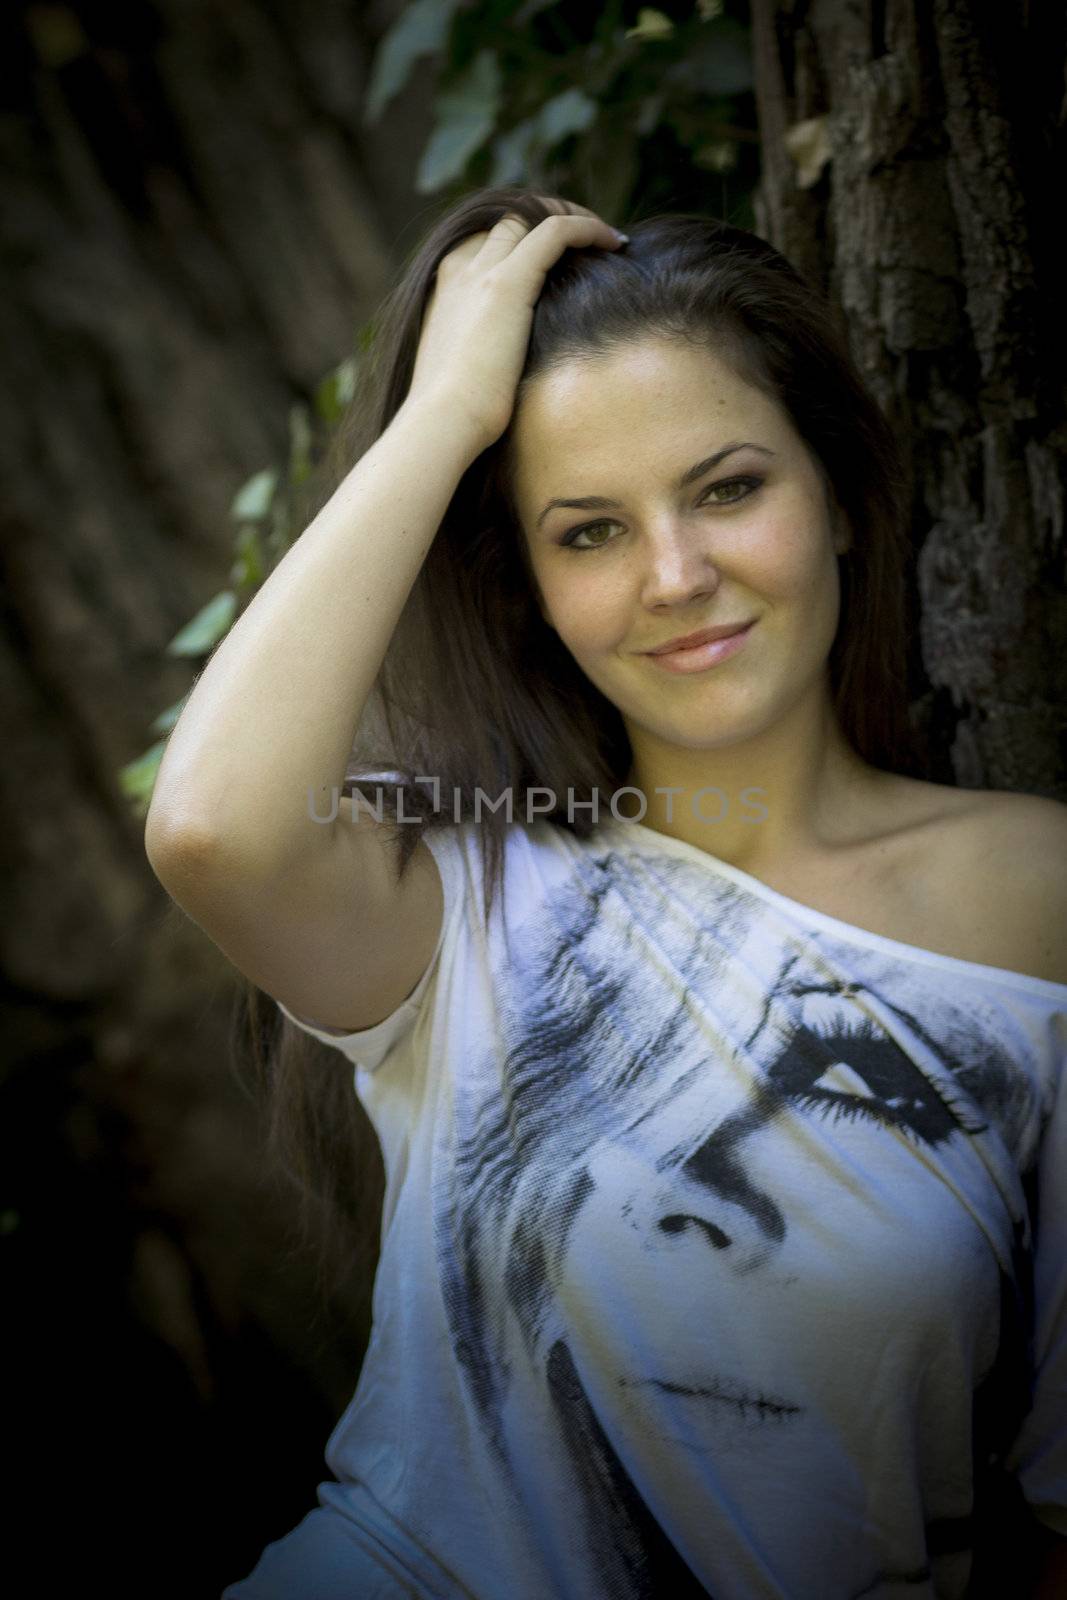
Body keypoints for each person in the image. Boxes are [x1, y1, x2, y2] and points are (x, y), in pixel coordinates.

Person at [144, 186, 1067, 1598]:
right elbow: (212, 831)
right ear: (525, 585)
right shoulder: (466, 906)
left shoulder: (1035, 895)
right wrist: (444, 413)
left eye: (729, 488)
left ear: (839, 496)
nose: (677, 578)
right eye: (589, 533)